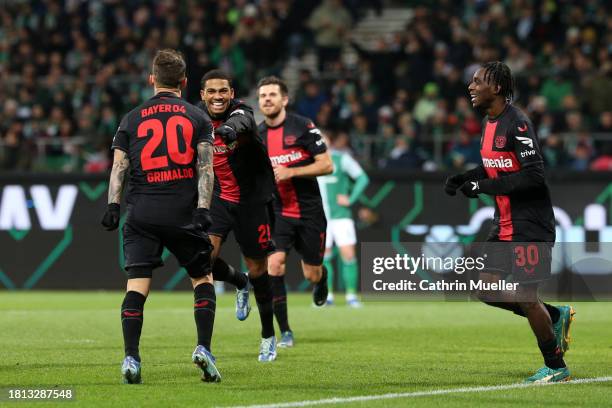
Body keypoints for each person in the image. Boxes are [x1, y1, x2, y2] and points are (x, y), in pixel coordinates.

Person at [445, 61, 575, 383]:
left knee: (525, 296)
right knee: (486, 289)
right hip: (503, 224)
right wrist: (466, 178)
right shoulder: (490, 124)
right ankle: (555, 315)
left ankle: (556, 367)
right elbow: (494, 168)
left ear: (497, 87)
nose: (471, 87)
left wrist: (483, 186)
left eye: (478, 82)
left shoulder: (517, 123)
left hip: (530, 225)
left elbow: (533, 175)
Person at [101, 49, 220, 383]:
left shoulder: (131, 118)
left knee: (137, 285)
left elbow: (119, 167)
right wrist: (203, 209)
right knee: (202, 278)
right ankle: (203, 349)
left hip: (142, 213)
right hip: (183, 212)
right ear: (184, 81)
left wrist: (113, 206)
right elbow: (205, 168)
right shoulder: (198, 118)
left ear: (152, 79)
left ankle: (131, 359)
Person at [197, 69, 278, 362]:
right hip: (218, 199)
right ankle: (238, 282)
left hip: (251, 201)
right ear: (202, 95)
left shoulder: (241, 111)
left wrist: (229, 131)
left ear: (231, 93)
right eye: (212, 92)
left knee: (259, 270)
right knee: (202, 261)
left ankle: (268, 336)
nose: (218, 97)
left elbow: (242, 122)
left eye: (223, 91)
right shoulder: (196, 119)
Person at [257, 76, 333, 348]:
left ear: (284, 99)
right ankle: (285, 331)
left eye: (272, 95)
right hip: (279, 214)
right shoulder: (258, 136)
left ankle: (321, 279)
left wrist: (292, 171)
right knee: (274, 266)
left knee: (310, 274)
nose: (267, 99)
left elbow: (326, 165)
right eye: (263, 95)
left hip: (310, 213)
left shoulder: (303, 127)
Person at [317, 130, 370, 307]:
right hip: (319, 218)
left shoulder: (341, 159)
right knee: (325, 258)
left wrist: (351, 198)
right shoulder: (309, 162)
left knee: (348, 255)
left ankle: (351, 296)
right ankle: (328, 295)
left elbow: (362, 178)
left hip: (341, 217)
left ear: (329, 141)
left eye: (322, 138)